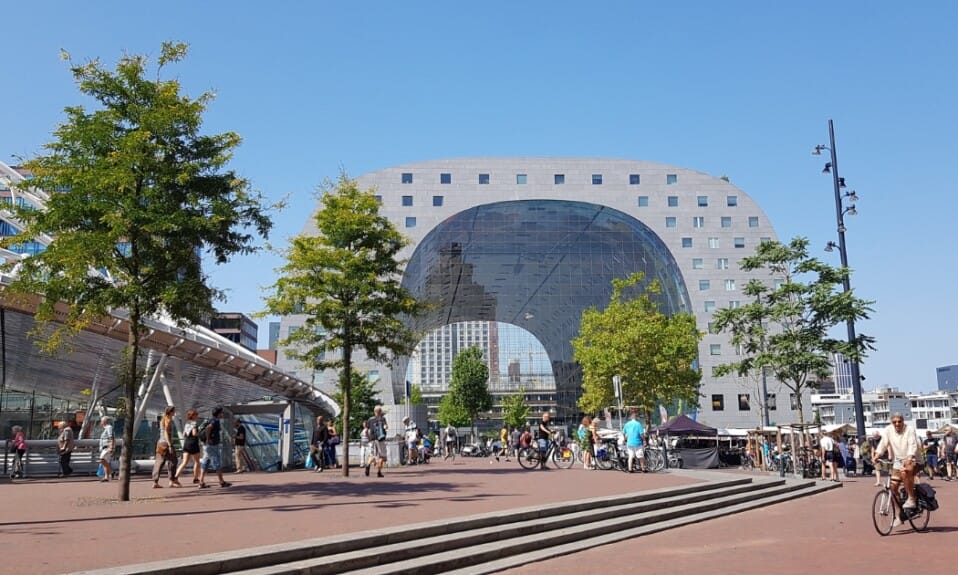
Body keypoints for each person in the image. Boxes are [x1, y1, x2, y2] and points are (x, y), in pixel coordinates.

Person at [871, 413, 919, 509]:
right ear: (891, 423)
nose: (897, 424)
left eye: (899, 421)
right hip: (898, 460)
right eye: (894, 422)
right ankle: (900, 513)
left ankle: (911, 498)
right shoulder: (888, 430)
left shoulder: (909, 429)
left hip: (913, 458)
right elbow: (883, 443)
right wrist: (877, 455)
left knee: (905, 472)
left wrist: (909, 457)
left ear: (903, 421)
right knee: (893, 488)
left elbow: (912, 444)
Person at [197, 407, 231, 489]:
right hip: (212, 445)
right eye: (221, 413)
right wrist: (208, 439)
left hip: (208, 445)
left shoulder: (212, 420)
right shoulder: (215, 421)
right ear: (218, 413)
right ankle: (221, 481)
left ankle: (201, 482)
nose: (222, 414)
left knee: (205, 462)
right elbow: (209, 428)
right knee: (217, 462)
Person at [152, 406, 182, 488]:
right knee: (173, 461)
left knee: (159, 462)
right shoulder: (168, 420)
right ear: (171, 412)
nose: (175, 413)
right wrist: (170, 445)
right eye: (174, 411)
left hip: (160, 443)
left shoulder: (163, 419)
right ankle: (172, 480)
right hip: (166, 443)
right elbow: (166, 433)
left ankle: (155, 481)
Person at [175, 408, 203, 483]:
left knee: (184, 462)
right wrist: (199, 432)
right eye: (196, 415)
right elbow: (194, 434)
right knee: (197, 462)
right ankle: (195, 478)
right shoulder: (194, 424)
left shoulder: (187, 424)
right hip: (193, 443)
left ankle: (176, 476)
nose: (197, 416)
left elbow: (184, 434)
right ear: (193, 416)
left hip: (186, 443)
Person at [365, 405, 388, 477]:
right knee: (382, 456)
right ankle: (379, 472)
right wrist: (385, 427)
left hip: (372, 440)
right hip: (380, 439)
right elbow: (385, 427)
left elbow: (366, 431)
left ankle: (368, 465)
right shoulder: (382, 419)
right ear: (380, 411)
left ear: (374, 411)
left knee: (372, 455)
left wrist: (369, 438)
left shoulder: (370, 419)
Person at [97, 417, 115, 482]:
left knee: (102, 459)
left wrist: (111, 447)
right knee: (105, 462)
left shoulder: (109, 427)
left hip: (107, 447)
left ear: (105, 421)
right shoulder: (105, 428)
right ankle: (106, 477)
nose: (101, 422)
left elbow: (111, 437)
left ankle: (111, 471)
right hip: (104, 447)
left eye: (101, 421)